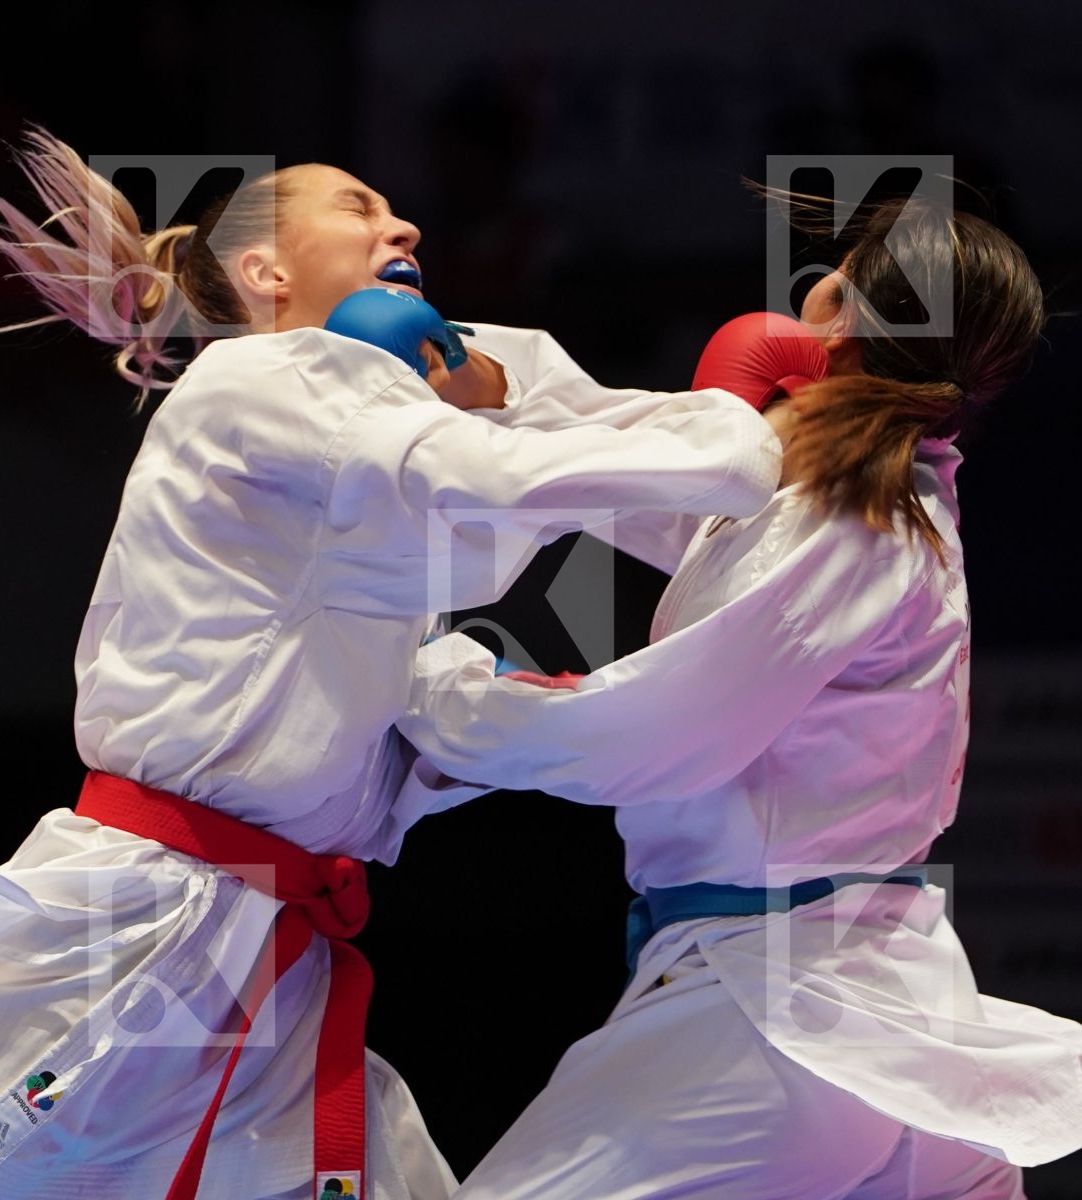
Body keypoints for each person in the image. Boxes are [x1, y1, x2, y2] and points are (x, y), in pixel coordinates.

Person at [0, 125, 784, 1200]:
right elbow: (494, 478)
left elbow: (497, 541)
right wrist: (733, 428)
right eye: (358, 208)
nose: (402, 223)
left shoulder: (349, 479)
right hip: (137, 928)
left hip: (277, 958)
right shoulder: (254, 379)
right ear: (266, 271)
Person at [401, 192, 1082, 1197]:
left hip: (773, 1019)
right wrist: (478, 379)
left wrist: (422, 689)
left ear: (837, 320)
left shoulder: (855, 524)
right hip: (879, 1013)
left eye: (831, 278)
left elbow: (650, 733)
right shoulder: (869, 503)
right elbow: (640, 476)